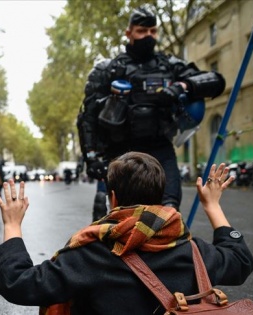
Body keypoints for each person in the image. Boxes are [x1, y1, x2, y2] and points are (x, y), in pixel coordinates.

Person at [0, 152, 253, 314]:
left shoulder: (90, 256)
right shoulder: (194, 251)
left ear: (112, 199)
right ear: (159, 198)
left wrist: (12, 224)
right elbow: (240, 261)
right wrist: (213, 206)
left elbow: (19, 283)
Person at [77, 5, 226, 221]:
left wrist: (183, 86)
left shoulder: (169, 66)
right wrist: (91, 156)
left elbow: (216, 81)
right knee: (117, 219)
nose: (148, 36)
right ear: (129, 33)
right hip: (120, 153)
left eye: (153, 31)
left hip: (160, 149)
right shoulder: (108, 70)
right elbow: (88, 116)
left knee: (169, 213)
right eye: (142, 31)